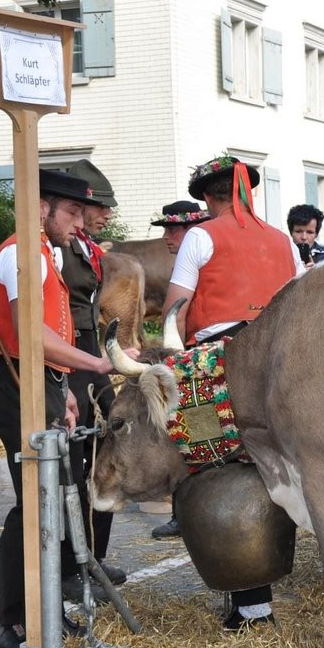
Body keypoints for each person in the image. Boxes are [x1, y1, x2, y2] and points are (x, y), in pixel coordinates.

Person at [0, 169, 138, 648]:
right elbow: (31, 335)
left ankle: (35, 610)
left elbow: (48, 332)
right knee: (35, 506)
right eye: (72, 212)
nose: (79, 222)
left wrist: (61, 387)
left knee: (51, 501)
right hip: (17, 382)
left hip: (38, 381)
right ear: (41, 207)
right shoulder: (25, 252)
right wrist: (95, 363)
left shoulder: (42, 251)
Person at [163, 154, 304, 631]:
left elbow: (175, 308)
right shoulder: (283, 239)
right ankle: (257, 601)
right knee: (272, 468)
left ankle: (248, 604)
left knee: (213, 467)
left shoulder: (201, 235)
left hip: (214, 371)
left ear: (206, 196)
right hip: (278, 368)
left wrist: (174, 365)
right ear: (249, 191)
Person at [57, 158, 127, 601]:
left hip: (88, 350)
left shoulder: (82, 245)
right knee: (73, 460)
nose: (106, 215)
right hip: (69, 353)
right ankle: (70, 564)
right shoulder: (57, 248)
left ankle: (94, 556)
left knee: (106, 448)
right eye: (99, 206)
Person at [147, 199, 210, 540]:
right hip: (191, 358)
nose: (167, 237)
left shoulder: (201, 256)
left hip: (197, 361)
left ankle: (191, 514)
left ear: (192, 231)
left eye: (173, 229)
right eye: (166, 230)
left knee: (195, 435)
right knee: (186, 434)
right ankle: (182, 512)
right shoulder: (184, 262)